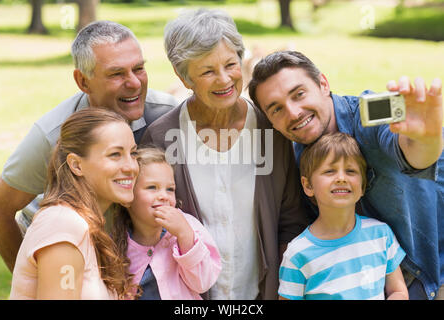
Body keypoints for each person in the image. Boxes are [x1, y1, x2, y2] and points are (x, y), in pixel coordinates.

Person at [141, 9, 311, 299]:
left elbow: (291, 221)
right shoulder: (161, 139)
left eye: (230, 64)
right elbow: (146, 229)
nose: (224, 80)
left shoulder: (271, 131)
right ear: (184, 78)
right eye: (207, 71)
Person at [248, 50, 443, 299]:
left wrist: (425, 137)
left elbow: (415, 153)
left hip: (430, 269)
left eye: (298, 94)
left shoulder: (370, 111)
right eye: (276, 109)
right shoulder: (295, 158)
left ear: (323, 84)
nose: (294, 113)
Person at [0, 20, 178, 272]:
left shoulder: (167, 118)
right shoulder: (52, 135)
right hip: (61, 256)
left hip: (124, 262)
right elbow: (0, 206)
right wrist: (30, 281)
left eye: (138, 68)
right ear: (83, 82)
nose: (134, 83)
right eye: (117, 73)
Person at [10, 108, 139, 299]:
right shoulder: (62, 225)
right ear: (76, 165)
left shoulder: (84, 221)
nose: (131, 167)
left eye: (133, 153)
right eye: (115, 155)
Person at [279, 132, 408, 300]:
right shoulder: (297, 254)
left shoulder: (381, 234)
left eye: (350, 171)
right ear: (308, 185)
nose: (341, 178)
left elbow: (398, 291)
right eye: (330, 171)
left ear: (362, 186)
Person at [112, 147, 221, 300]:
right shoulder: (115, 240)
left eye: (170, 189)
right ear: (127, 197)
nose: (164, 196)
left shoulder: (188, 226)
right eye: (152, 187)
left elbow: (203, 283)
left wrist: (185, 235)